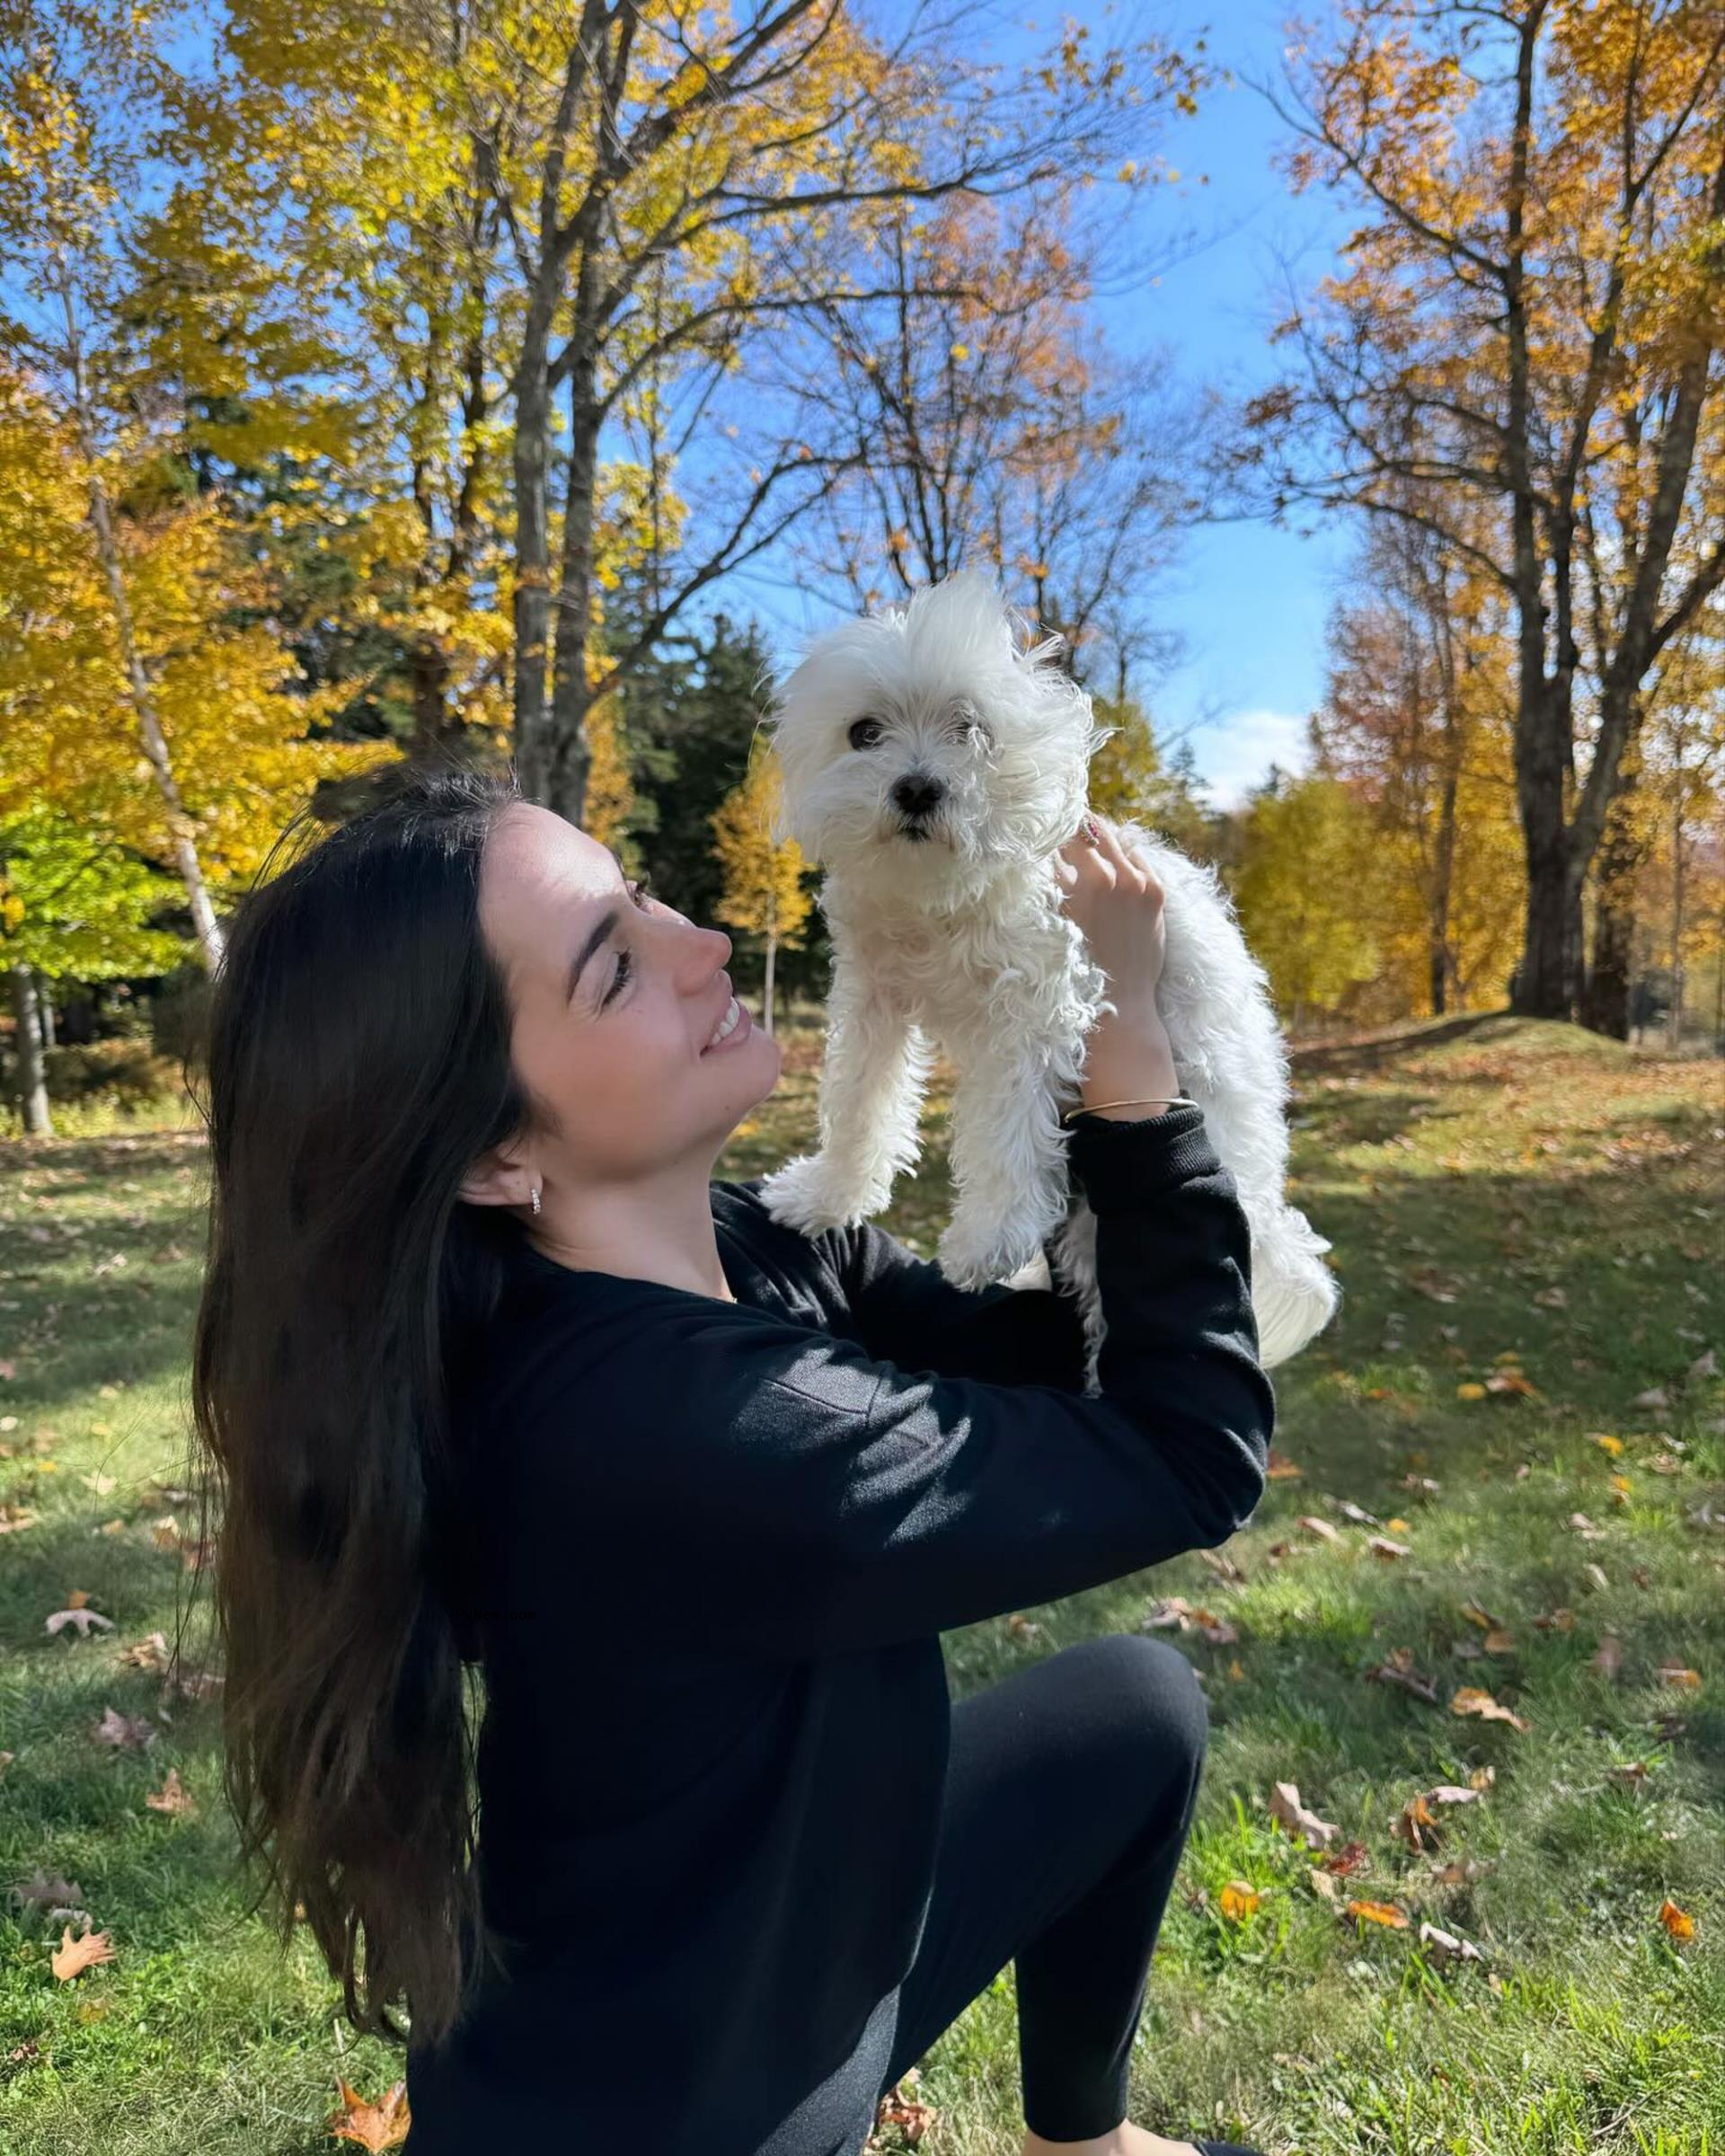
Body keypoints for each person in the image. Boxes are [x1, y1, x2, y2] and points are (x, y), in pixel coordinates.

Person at [186, 760, 1274, 2156]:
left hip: (823, 1959)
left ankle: (1088, 2141)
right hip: (679, 2115)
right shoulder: (682, 1433)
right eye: (613, 968)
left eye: (639, 897)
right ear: (494, 1154)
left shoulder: (755, 1250)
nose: (699, 943)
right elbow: (1191, 1452)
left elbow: (1091, 1354)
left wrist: (1077, 1019)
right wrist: (1125, 1069)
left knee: (1136, 1710)